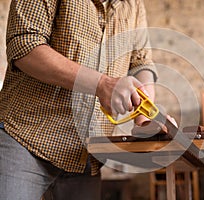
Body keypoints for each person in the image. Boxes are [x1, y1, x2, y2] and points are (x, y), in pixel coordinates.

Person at [0, 0, 157, 199]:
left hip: (85, 156)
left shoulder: (133, 4)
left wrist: (146, 120)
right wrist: (102, 84)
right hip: (25, 139)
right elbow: (25, 44)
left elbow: (141, 63)